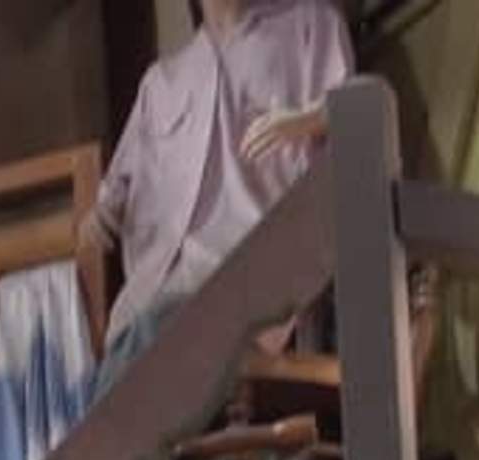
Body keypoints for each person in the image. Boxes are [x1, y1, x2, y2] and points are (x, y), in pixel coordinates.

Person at [81, 0, 353, 386]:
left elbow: (358, 116)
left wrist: (309, 119)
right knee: (134, 345)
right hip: (149, 299)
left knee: (157, 340)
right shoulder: (160, 82)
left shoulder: (308, 26)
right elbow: (115, 189)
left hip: (248, 275)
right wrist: (99, 217)